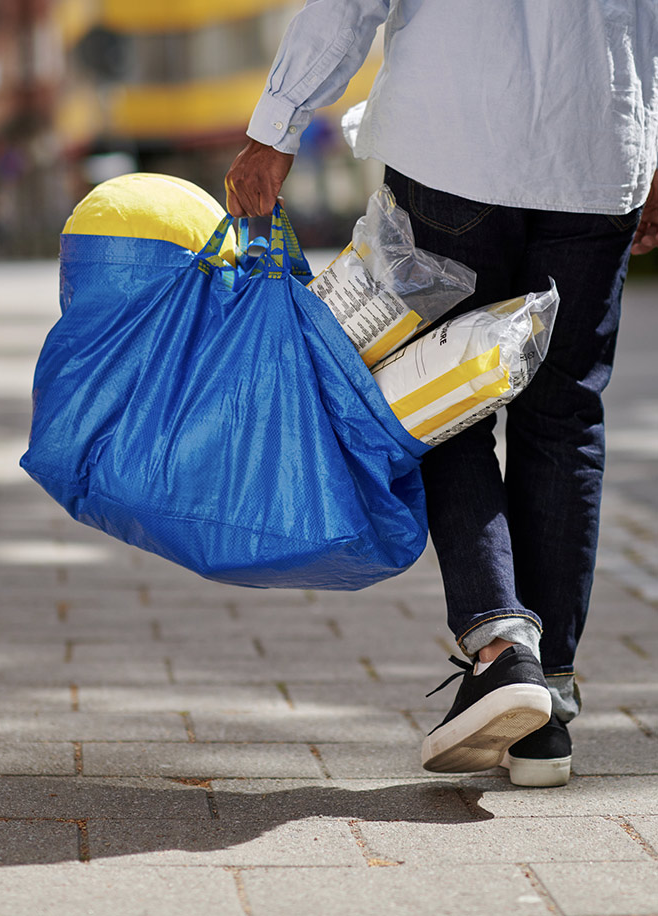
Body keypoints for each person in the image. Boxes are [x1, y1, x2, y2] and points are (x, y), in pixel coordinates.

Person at [225, 0, 658, 787]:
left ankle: (501, 650)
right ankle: (547, 704)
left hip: (457, 139)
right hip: (598, 145)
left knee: (438, 405)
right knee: (563, 421)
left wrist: (276, 125)